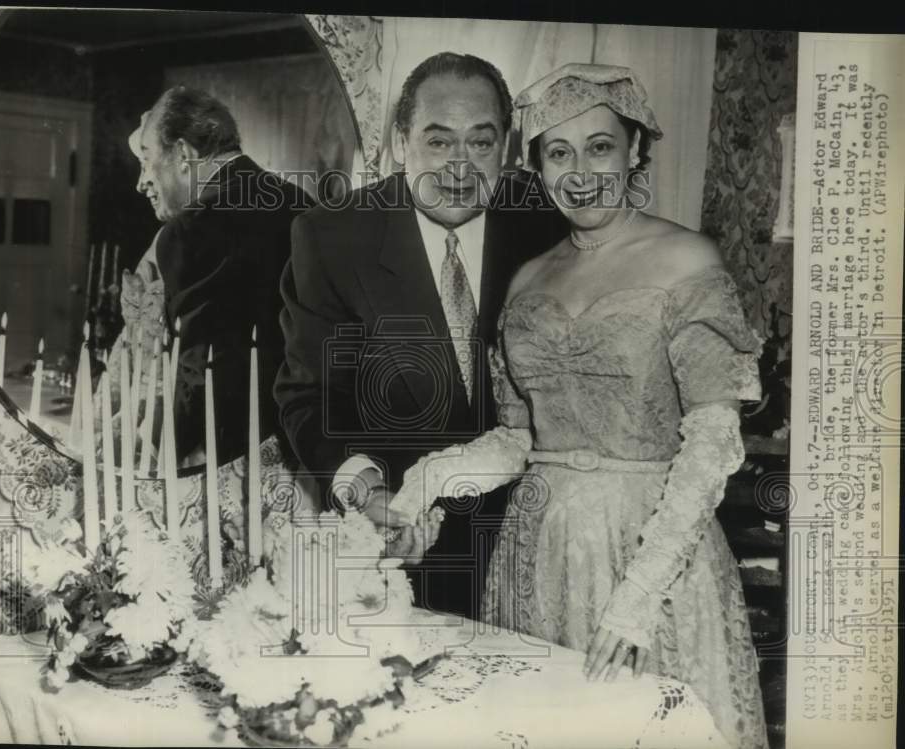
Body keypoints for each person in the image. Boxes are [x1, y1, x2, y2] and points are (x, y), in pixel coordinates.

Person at [392, 63, 768, 749]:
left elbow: (711, 443)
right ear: (534, 166)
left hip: (651, 553)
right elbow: (517, 439)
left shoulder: (686, 260)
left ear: (634, 152)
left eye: (600, 146)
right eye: (557, 152)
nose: (580, 170)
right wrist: (424, 486)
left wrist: (637, 597)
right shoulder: (529, 278)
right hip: (536, 551)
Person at [274, 53, 567, 619]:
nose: (460, 167)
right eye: (438, 142)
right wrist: (367, 491)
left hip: (540, 542)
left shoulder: (549, 224)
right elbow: (307, 399)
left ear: (506, 148)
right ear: (399, 141)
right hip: (407, 555)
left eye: (481, 143)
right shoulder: (332, 239)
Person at [136, 86, 313, 467]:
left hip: (229, 459)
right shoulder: (307, 207)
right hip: (308, 450)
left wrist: (155, 450)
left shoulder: (188, 231)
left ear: (182, 154)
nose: (141, 182)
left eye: (146, 159)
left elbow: (199, 370)